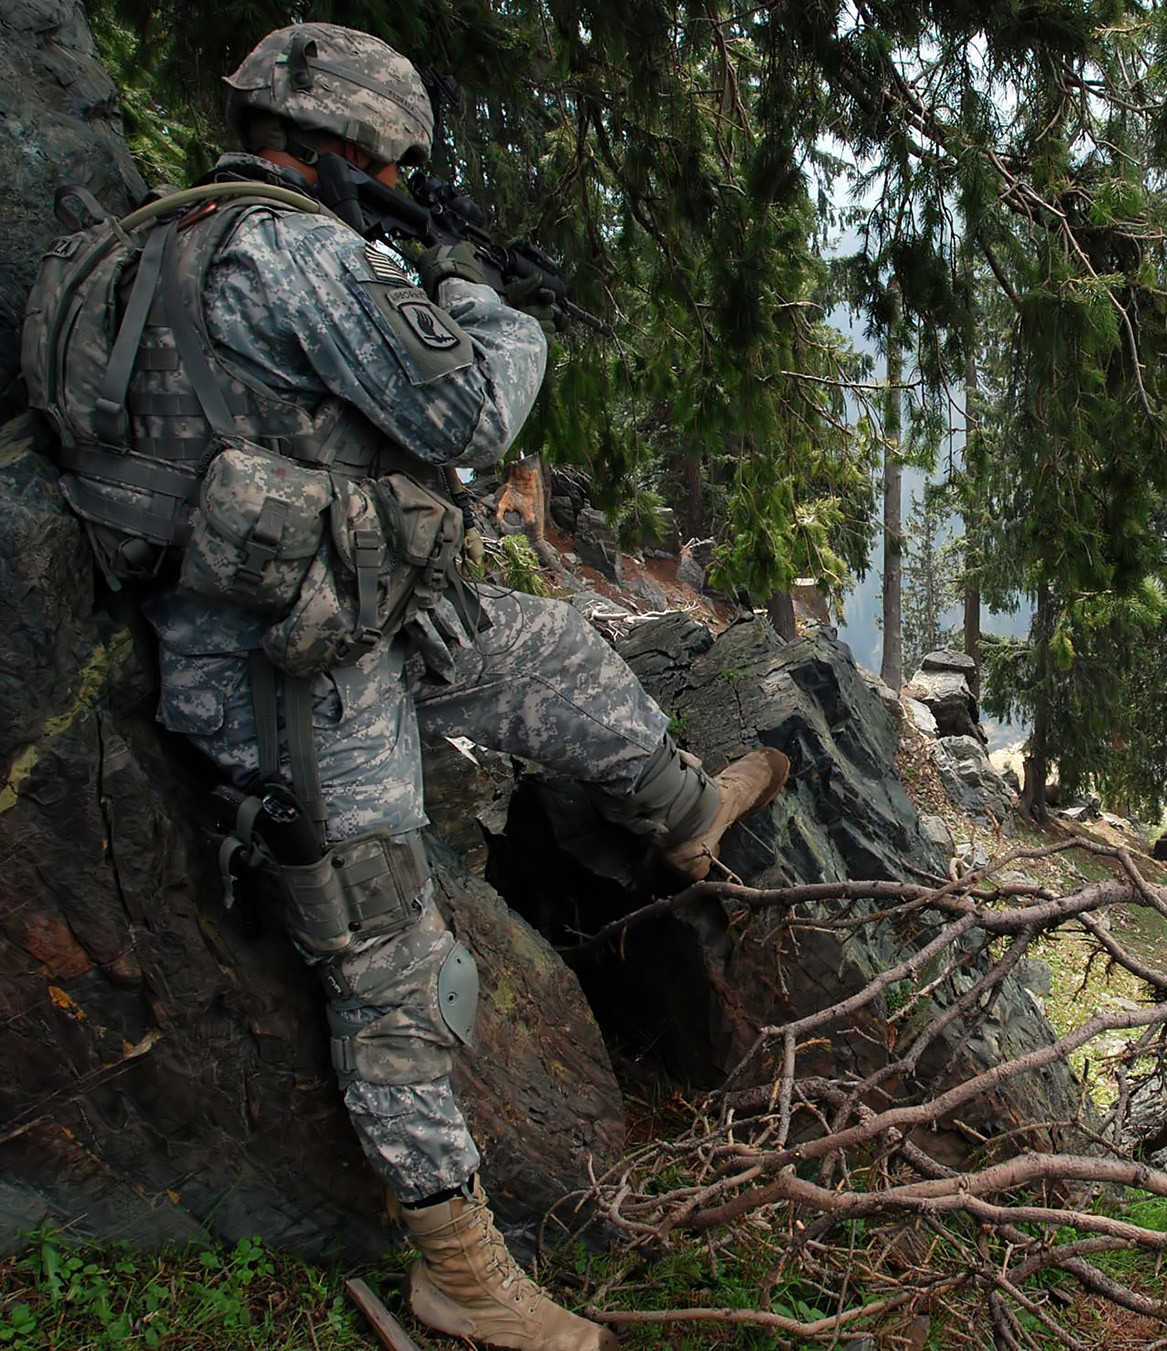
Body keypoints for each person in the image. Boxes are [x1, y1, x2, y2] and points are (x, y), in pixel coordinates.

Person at [131, 23, 786, 1351]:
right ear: (353, 154)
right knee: (386, 947)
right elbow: (471, 415)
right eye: (393, 169)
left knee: (542, 648)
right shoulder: (288, 247)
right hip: (278, 663)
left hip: (327, 608)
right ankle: (460, 1267)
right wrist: (478, 294)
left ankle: (683, 810)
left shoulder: (172, 232)